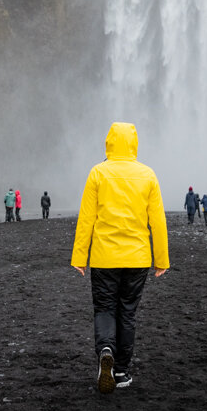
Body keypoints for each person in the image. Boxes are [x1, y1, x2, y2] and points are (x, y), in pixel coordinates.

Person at [71, 122, 169, 393]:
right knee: (127, 312)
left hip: (104, 257)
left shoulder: (98, 173)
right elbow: (157, 222)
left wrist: (80, 256)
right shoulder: (148, 175)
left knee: (104, 308)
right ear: (134, 144)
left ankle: (105, 350)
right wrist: (162, 259)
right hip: (137, 259)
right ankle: (122, 371)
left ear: (109, 143)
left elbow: (86, 218)